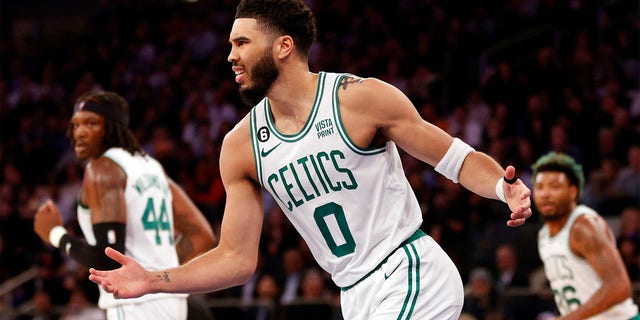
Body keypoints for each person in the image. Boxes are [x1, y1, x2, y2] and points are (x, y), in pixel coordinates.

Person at [88, 1, 532, 319]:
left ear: (283, 46)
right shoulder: (241, 144)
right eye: (230, 44)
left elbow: (455, 157)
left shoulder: (358, 99)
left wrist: (501, 187)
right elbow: (236, 259)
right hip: (353, 295)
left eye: (242, 42)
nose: (231, 55)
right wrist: (154, 279)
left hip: (408, 269)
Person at [33, 90, 217, 320]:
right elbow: (202, 237)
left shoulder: (103, 169)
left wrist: (55, 234)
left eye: (91, 123)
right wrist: (156, 273)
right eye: (76, 125)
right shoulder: (152, 167)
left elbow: (109, 260)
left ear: (112, 127)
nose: (79, 133)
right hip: (170, 301)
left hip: (133, 304)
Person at [532, 151, 639, 319]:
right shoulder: (543, 236)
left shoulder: (584, 227)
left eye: (555, 186)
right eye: (540, 187)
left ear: (573, 191)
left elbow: (620, 287)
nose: (546, 194)